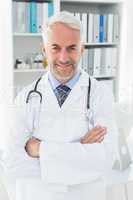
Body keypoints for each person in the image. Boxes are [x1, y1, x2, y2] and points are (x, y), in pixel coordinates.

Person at [2, 11, 118, 200]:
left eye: (71, 48)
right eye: (55, 48)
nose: (63, 58)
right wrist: (80, 150)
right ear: (44, 50)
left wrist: (39, 150)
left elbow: (105, 158)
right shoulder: (25, 98)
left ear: (82, 50)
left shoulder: (100, 95)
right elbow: (12, 161)